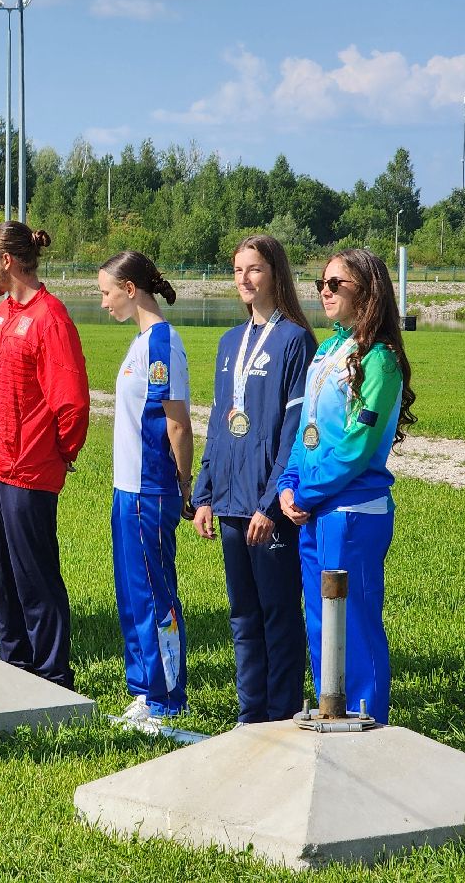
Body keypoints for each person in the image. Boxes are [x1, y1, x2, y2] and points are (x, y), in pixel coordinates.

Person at [277, 247, 416, 725]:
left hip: (354, 511)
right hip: (315, 508)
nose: (324, 291)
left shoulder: (381, 360)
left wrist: (308, 491)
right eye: (321, 282)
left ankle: (367, 719)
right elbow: (306, 430)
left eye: (337, 284)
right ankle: (332, 710)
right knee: (321, 622)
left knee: (353, 623)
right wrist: (289, 484)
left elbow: (357, 447)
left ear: (368, 291)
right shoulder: (328, 347)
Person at [192, 235, 317, 724]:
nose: (244, 279)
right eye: (238, 270)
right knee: (243, 617)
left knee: (278, 617)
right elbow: (221, 423)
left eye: (255, 269)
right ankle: (250, 717)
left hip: (268, 508)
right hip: (229, 503)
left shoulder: (294, 341)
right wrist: (204, 493)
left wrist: (269, 504)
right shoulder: (229, 342)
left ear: (275, 274)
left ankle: (282, 714)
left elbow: (293, 433)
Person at [0, 222, 90, 689]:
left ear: (8, 261)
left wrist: (56, 452)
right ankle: (13, 665)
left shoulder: (50, 317)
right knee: (0, 574)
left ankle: (52, 673)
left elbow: (72, 401)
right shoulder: (2, 314)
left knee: (34, 576)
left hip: (29, 471)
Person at [96, 251, 196, 726]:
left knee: (156, 596)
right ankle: (145, 691)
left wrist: (183, 483)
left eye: (106, 292)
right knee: (134, 595)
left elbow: (177, 424)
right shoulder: (140, 343)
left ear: (130, 289)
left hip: (150, 490)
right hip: (127, 490)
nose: (103, 302)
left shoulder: (162, 344)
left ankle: (168, 698)